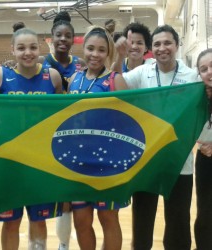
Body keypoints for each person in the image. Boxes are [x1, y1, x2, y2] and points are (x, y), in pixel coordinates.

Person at [114, 24, 199, 250]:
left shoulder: (192, 77)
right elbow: (116, 85)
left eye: (167, 43)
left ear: (177, 45)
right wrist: (118, 57)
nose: (163, 48)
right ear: (152, 48)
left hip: (179, 162)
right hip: (147, 160)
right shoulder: (144, 72)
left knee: (179, 222)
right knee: (142, 222)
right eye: (158, 44)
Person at [0, 27, 63, 250]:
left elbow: (61, 119)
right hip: (9, 163)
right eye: (21, 48)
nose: (27, 52)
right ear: (12, 50)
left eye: (32, 47)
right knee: (11, 222)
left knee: (39, 220)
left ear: (39, 48)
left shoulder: (53, 77)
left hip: (41, 162)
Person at [68, 25, 128, 250]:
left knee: (108, 219)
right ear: (83, 48)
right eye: (91, 48)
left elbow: (127, 124)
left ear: (108, 53)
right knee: (81, 222)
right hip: (76, 163)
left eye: (101, 50)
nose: (95, 54)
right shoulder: (74, 78)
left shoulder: (115, 80)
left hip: (107, 163)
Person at [40, 11, 86, 250]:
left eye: (68, 36)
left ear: (73, 39)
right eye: (59, 35)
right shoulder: (40, 62)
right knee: (50, 197)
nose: (63, 40)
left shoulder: (81, 65)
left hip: (74, 136)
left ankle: (64, 243)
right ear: (51, 38)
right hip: (47, 136)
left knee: (69, 196)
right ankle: (44, 243)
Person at [194, 48, 212, 250]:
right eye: (204, 69)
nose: (209, 72)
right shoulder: (198, 96)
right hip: (205, 160)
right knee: (205, 213)